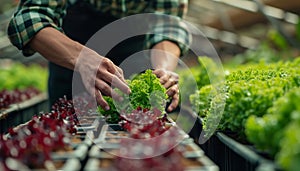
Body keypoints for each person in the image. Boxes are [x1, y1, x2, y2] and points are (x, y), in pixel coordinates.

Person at [7, 0, 191, 112]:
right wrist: (81, 58)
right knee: (68, 126)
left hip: (134, 49)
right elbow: (27, 19)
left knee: (139, 133)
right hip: (71, 51)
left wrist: (163, 70)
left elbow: (169, 22)